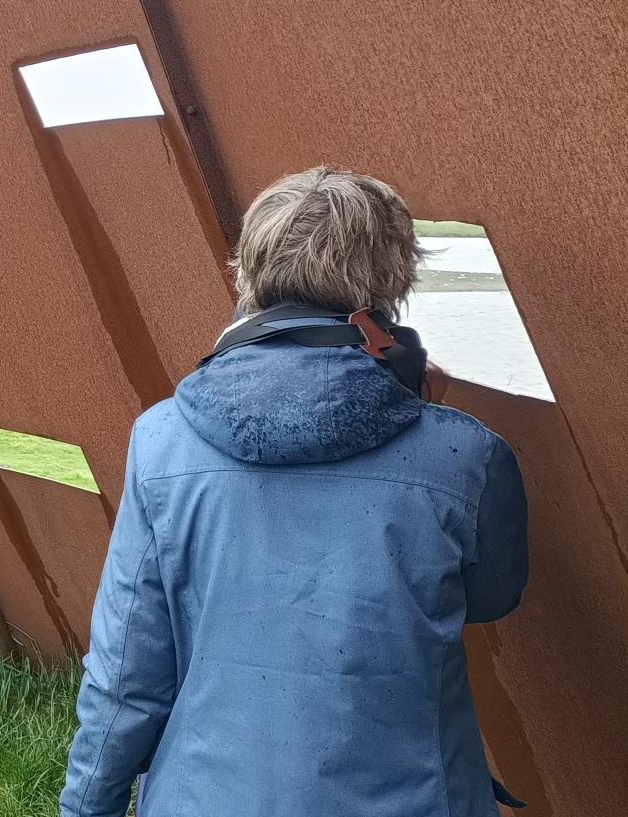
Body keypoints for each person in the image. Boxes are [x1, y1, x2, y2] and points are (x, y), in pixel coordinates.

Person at [59, 167, 528, 817]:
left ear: (250, 274)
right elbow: (492, 595)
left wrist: (88, 808)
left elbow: (125, 675)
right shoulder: (467, 455)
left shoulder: (161, 440)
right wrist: (423, 422)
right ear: (394, 282)